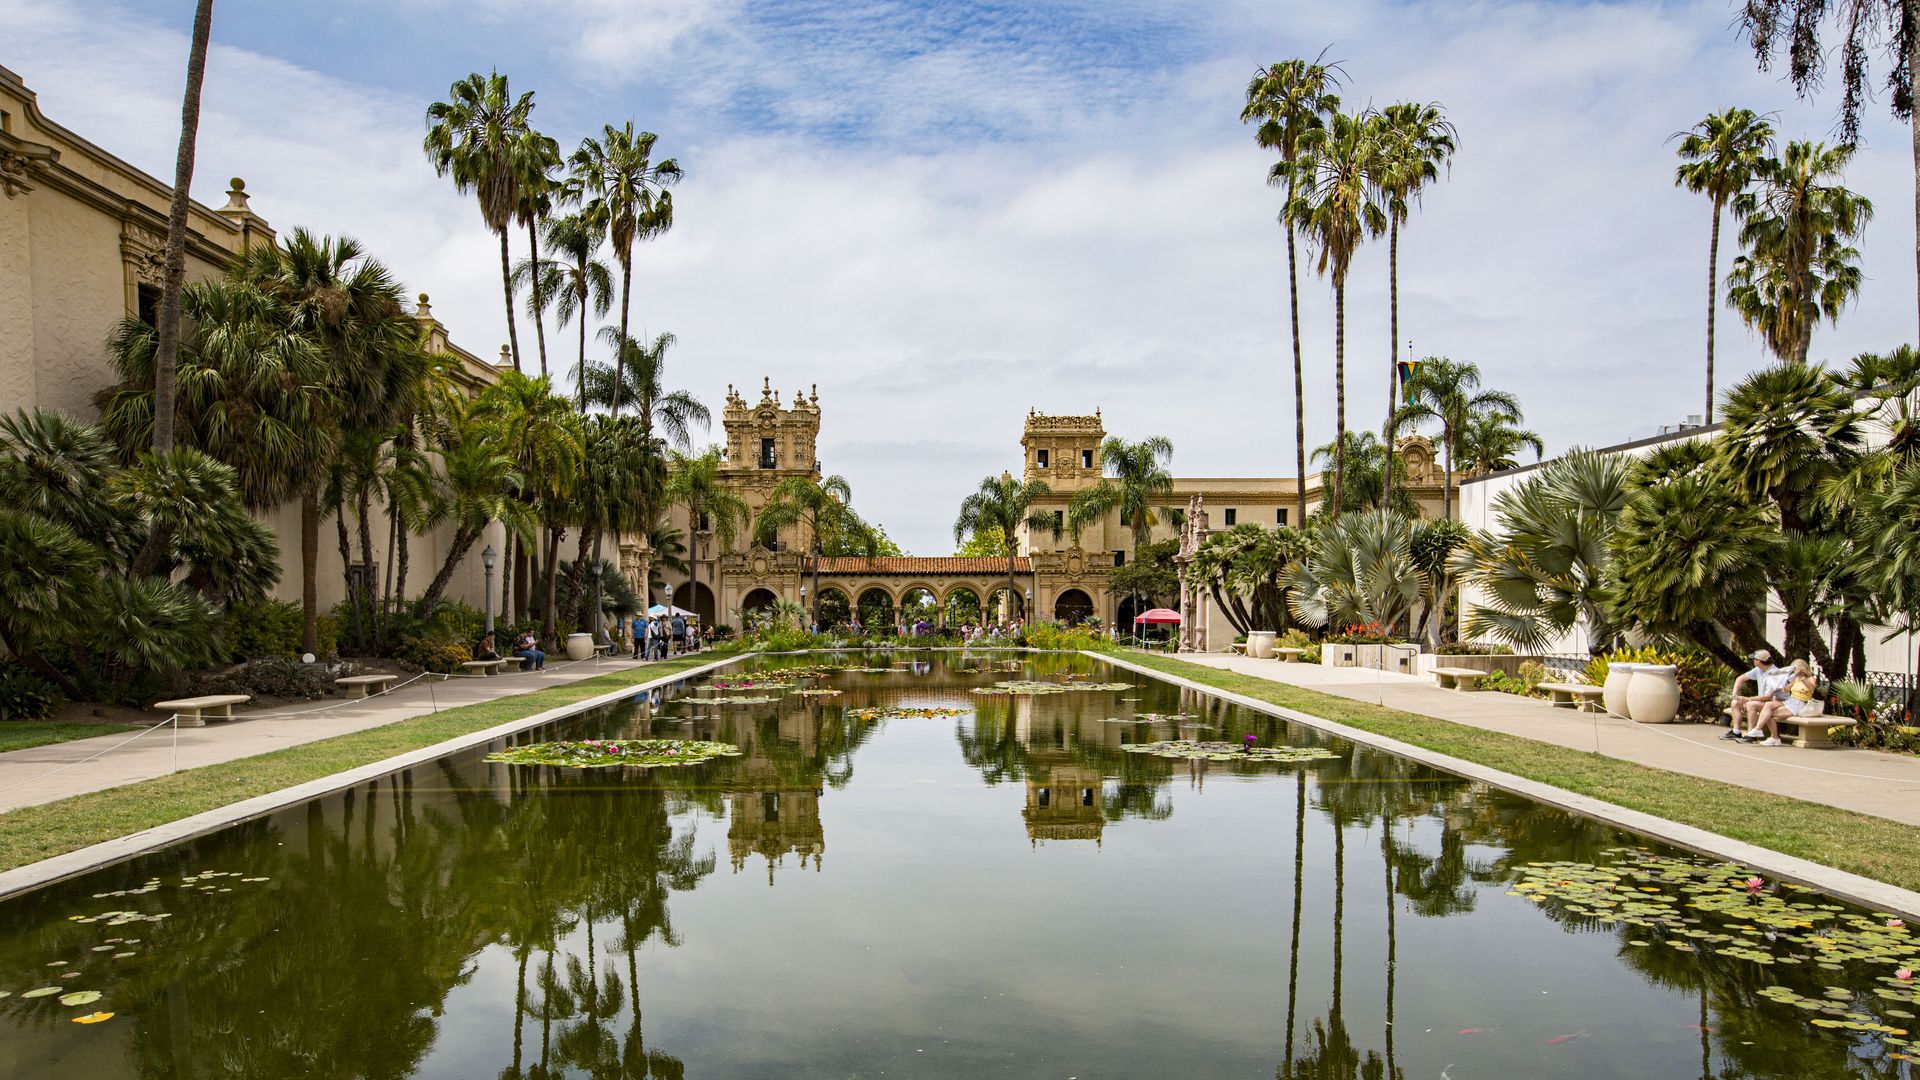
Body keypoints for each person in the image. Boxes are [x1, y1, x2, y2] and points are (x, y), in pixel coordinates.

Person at [1742, 659, 1818, 746]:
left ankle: (1773, 737)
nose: (1794, 671)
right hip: (1791, 700)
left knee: (1768, 713)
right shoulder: (1796, 679)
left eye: (1795, 669)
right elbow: (1785, 689)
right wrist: (1777, 682)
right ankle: (1760, 730)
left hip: (1800, 703)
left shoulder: (1810, 678)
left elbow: (1811, 688)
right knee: (1768, 705)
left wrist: (1802, 678)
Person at [1722, 650, 1786, 740]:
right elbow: (1740, 678)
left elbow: (1768, 697)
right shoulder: (1758, 670)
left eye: (1754, 659)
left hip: (1773, 703)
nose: (1753, 661)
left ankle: (1751, 735)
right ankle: (1736, 732)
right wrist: (1735, 694)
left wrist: (1748, 699)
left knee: (1750, 704)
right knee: (1735, 703)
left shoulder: (1775, 673)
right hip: (1762, 702)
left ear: (1758, 661)